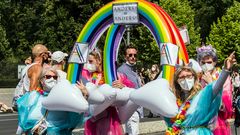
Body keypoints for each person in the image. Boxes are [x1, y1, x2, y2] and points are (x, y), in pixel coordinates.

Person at [165, 52, 236, 135]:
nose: (186, 79)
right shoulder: (175, 100)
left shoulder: (201, 95)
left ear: (194, 78)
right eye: (182, 77)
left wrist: (226, 70)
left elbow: (216, 87)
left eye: (188, 76)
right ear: (177, 81)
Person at [17, 67, 87, 134]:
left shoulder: (63, 97)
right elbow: (23, 119)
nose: (52, 79)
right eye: (48, 77)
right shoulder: (33, 96)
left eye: (55, 77)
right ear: (41, 80)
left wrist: (83, 95)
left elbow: (75, 117)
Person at [82, 50, 123, 135]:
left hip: (107, 116)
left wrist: (121, 86)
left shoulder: (110, 75)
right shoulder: (88, 75)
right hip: (92, 116)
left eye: (91, 61)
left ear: (99, 60)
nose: (88, 64)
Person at [196, 45, 233, 135]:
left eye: (209, 62)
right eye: (203, 62)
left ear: (214, 62)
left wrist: (211, 83)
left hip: (218, 121)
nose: (206, 65)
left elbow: (226, 102)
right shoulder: (198, 78)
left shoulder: (222, 76)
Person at [114, 45, 143, 135]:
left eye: (135, 55)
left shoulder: (134, 69)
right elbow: (117, 86)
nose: (133, 57)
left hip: (136, 107)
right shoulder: (121, 70)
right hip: (130, 107)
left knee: (130, 132)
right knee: (133, 132)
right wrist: (122, 86)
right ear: (125, 56)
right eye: (130, 55)